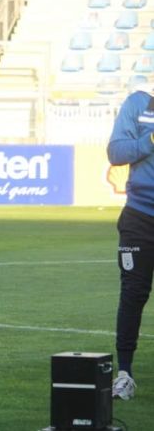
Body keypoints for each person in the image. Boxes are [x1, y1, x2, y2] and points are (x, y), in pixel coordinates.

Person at [106, 86, 154, 400]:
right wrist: (149, 140)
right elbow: (116, 152)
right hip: (140, 216)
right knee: (133, 294)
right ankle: (125, 373)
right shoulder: (138, 104)